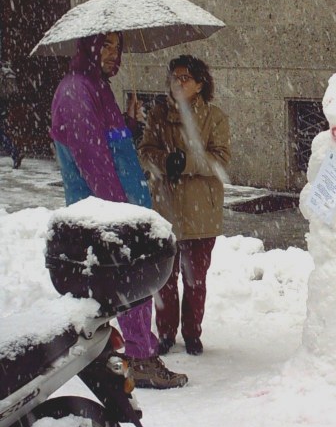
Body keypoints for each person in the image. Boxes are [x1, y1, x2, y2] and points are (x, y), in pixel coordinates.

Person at [50, 31, 188, 389]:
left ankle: (134, 355)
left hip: (122, 212)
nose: (115, 54)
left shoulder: (98, 88)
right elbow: (92, 160)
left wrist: (126, 124)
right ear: (88, 46)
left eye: (118, 47)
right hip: (108, 218)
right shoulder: (75, 91)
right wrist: (123, 214)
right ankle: (136, 359)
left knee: (133, 289)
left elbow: (110, 149)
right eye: (107, 45)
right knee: (127, 289)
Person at [139, 55, 231, 355]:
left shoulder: (214, 117)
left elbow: (220, 159)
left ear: (200, 84)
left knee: (195, 280)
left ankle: (192, 333)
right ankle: (165, 333)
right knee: (164, 279)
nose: (177, 83)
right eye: (174, 77)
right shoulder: (158, 114)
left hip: (200, 210)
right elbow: (146, 152)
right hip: (165, 209)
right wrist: (165, 161)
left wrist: (188, 162)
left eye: (184, 78)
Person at [0, 60, 23, 169]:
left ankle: (15, 154)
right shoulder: (4, 71)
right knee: (1, 133)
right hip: (3, 106)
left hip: (2, 106)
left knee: (1, 134)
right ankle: (15, 153)